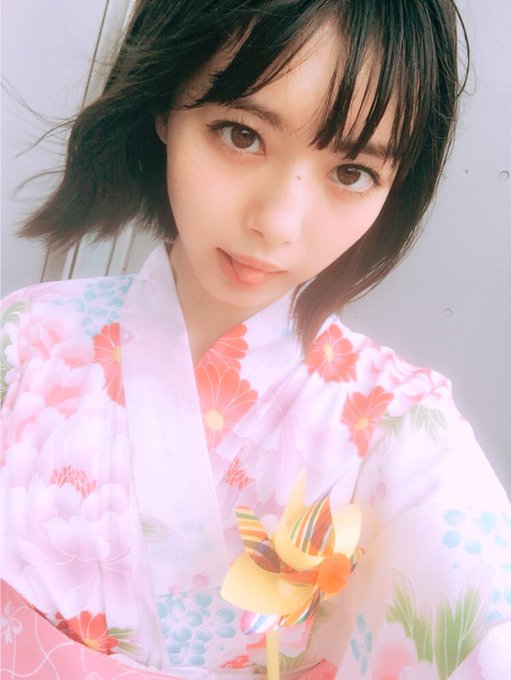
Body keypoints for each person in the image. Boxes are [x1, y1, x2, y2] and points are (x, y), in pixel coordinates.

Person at [1, 0, 510, 678]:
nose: (278, 223)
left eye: (351, 173)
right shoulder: (26, 341)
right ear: (165, 106)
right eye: (241, 134)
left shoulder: (399, 430)